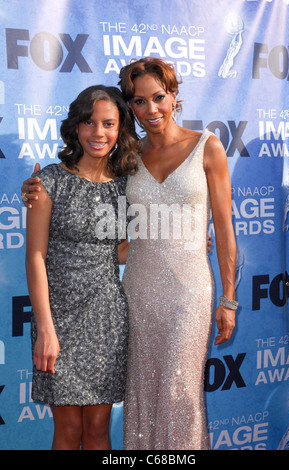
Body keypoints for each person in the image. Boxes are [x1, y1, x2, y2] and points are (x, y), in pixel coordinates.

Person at [21, 57, 237, 451]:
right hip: (108, 302)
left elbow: (216, 231)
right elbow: (62, 244)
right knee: (121, 406)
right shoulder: (114, 166)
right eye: (139, 101)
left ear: (174, 97)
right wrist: (32, 192)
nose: (150, 109)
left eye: (158, 97)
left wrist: (225, 293)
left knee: (170, 399)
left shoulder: (187, 153)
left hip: (159, 299)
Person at [24, 85, 138, 450]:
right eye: (89, 122)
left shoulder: (125, 188)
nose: (98, 133)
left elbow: (119, 251)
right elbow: (35, 257)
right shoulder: (49, 182)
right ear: (76, 127)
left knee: (99, 429)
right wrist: (45, 329)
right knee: (69, 430)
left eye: (108, 124)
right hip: (58, 318)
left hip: (106, 316)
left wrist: (180, 243)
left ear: (120, 130)